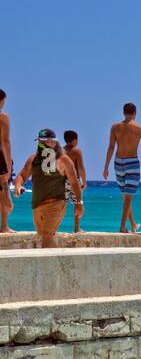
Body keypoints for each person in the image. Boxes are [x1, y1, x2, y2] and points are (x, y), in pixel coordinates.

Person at [12, 129, 82, 248]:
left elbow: (74, 182)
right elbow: (22, 175)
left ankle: (55, 266)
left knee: (47, 236)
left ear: (54, 142)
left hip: (56, 204)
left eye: (47, 141)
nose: (43, 144)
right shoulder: (33, 159)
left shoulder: (63, 160)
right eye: (41, 141)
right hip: (37, 206)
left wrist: (79, 203)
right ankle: (58, 263)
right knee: (45, 237)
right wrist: (18, 186)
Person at [102, 102, 141, 233]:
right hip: (132, 162)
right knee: (128, 196)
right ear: (135, 113)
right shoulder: (140, 129)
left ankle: (132, 224)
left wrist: (106, 167)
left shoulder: (115, 127)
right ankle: (122, 227)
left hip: (118, 162)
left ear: (123, 112)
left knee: (125, 196)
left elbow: (110, 147)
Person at [61, 130, 87, 233]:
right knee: (78, 203)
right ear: (74, 140)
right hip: (74, 181)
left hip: (62, 181)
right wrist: (84, 181)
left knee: (62, 205)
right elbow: (80, 167)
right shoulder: (77, 151)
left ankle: (54, 227)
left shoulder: (60, 151)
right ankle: (77, 228)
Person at [0, 88, 12, 232]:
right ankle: (3, 226)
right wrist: (8, 164)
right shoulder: (3, 117)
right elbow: (5, 141)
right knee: (3, 190)